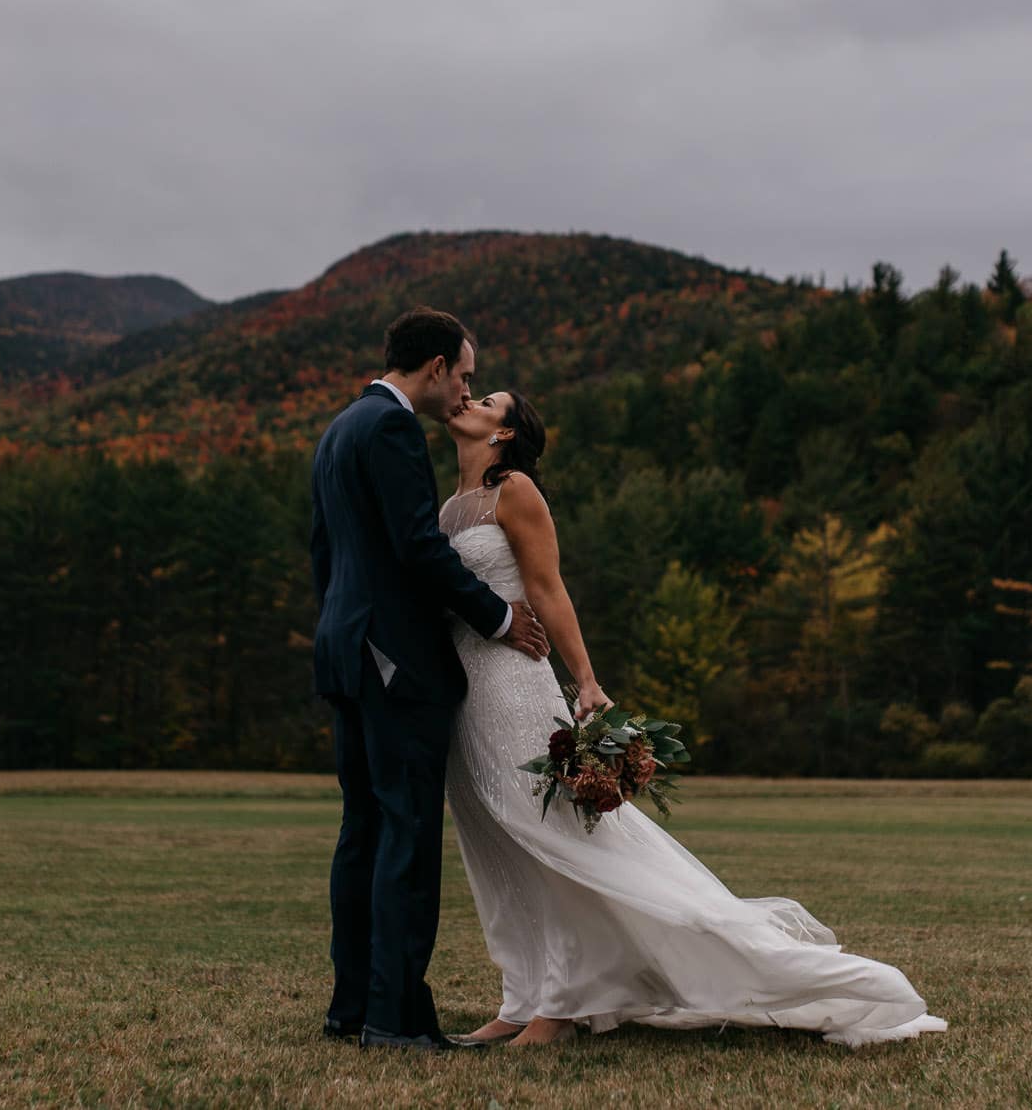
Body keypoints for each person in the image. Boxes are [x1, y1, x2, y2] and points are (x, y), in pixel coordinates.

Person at [435, 386, 948, 1049]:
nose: (470, 399)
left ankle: (560, 1004)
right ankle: (520, 993)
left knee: (550, 840)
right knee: (493, 845)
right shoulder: (449, 507)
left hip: (515, 686)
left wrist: (587, 680)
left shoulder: (517, 491)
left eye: (488, 400)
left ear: (504, 433)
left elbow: (547, 588)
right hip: (465, 695)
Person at [308, 307, 550, 1051]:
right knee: (405, 834)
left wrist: (346, 630)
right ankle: (396, 1018)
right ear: (437, 366)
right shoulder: (392, 429)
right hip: (395, 662)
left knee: (364, 832)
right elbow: (418, 548)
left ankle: (352, 1007)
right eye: (466, 375)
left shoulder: (340, 428)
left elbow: (326, 551)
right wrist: (499, 619)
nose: (465, 391)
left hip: (348, 652)